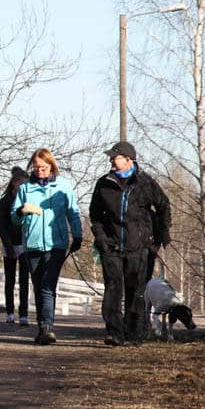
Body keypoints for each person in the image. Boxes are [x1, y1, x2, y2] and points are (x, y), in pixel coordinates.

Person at [88, 141, 172, 347]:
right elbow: (95, 214)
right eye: (111, 157)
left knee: (136, 292)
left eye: (114, 157)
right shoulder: (103, 183)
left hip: (139, 248)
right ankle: (114, 333)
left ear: (128, 159)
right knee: (112, 290)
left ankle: (134, 334)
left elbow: (164, 206)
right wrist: (100, 238)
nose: (110, 160)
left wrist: (160, 237)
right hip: (111, 247)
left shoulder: (145, 183)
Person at [10, 149, 82, 345]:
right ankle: (42, 327)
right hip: (32, 244)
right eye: (35, 168)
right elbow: (13, 218)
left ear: (51, 166)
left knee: (48, 286)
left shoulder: (63, 187)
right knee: (38, 285)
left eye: (42, 168)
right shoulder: (25, 189)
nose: (39, 171)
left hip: (55, 244)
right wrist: (22, 211)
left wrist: (77, 234)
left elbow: (73, 212)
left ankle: (48, 326)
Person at [0, 166, 31, 327]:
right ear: (13, 184)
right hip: (9, 243)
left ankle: (23, 313)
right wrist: (8, 246)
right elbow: (2, 225)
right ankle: (10, 312)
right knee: (10, 280)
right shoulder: (5, 201)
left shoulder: (28, 202)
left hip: (25, 244)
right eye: (19, 184)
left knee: (24, 280)